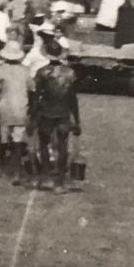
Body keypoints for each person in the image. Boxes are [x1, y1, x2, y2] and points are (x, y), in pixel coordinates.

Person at [28, 34, 81, 193]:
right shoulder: (70, 73)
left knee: (44, 144)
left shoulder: (42, 72)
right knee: (63, 146)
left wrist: (32, 117)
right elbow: (73, 99)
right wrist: (77, 120)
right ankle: (60, 181)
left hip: (46, 112)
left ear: (46, 53)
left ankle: (46, 178)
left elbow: (36, 97)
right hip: (64, 112)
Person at [0, 40, 33, 185]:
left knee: (1, 137)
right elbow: (32, 90)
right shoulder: (25, 71)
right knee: (18, 142)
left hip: (4, 109)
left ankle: (2, 165)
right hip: (21, 109)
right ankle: (17, 173)